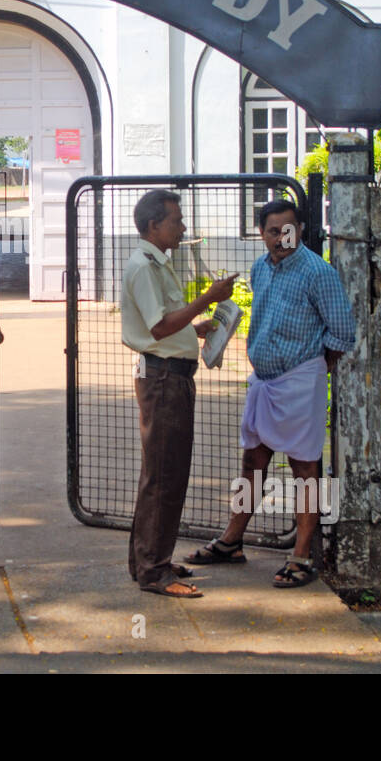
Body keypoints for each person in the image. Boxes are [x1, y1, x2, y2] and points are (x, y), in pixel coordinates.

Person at [183, 198, 355, 588]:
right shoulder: (261, 268)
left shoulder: (318, 272)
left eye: (289, 229)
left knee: (304, 470)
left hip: (300, 381)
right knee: (253, 463)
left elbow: (343, 331)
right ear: (261, 234)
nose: (282, 238)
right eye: (273, 230)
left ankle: (301, 556)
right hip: (264, 381)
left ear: (301, 231)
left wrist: (315, 369)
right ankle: (231, 541)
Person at [122, 189, 237, 598]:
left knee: (162, 474)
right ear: (154, 225)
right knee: (165, 476)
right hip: (164, 379)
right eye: (176, 219)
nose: (183, 226)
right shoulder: (144, 267)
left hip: (170, 375)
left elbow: (169, 322)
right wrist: (207, 299)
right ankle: (153, 571)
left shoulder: (156, 263)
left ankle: (148, 560)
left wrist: (196, 326)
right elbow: (158, 328)